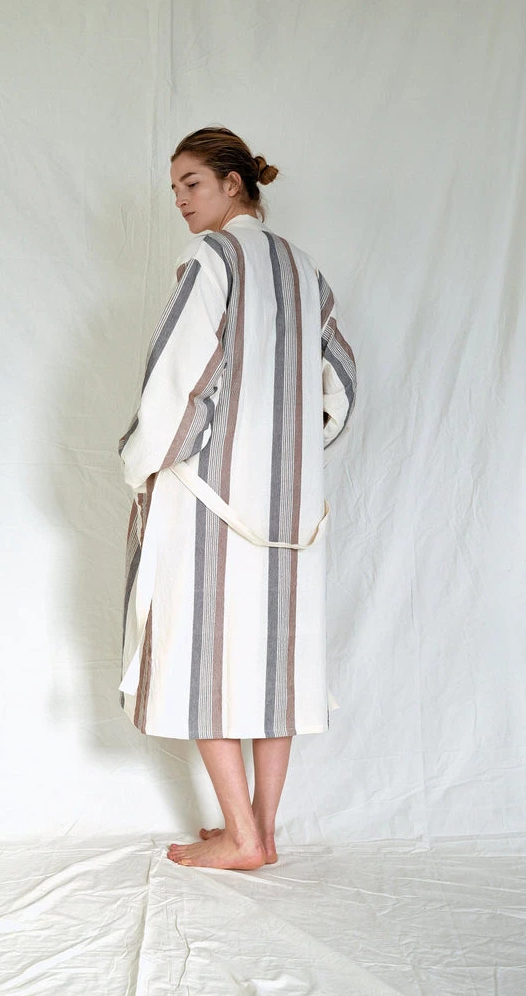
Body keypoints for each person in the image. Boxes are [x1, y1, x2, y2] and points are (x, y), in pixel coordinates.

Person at [117, 126, 357, 870]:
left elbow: (178, 379)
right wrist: (294, 447)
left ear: (233, 183)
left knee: (205, 656)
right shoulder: (305, 269)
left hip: (210, 498)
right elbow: (341, 384)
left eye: (191, 183)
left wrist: (142, 464)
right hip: (291, 509)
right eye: (174, 189)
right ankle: (263, 831)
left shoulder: (213, 258)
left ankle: (242, 837)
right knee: (276, 660)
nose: (181, 201)